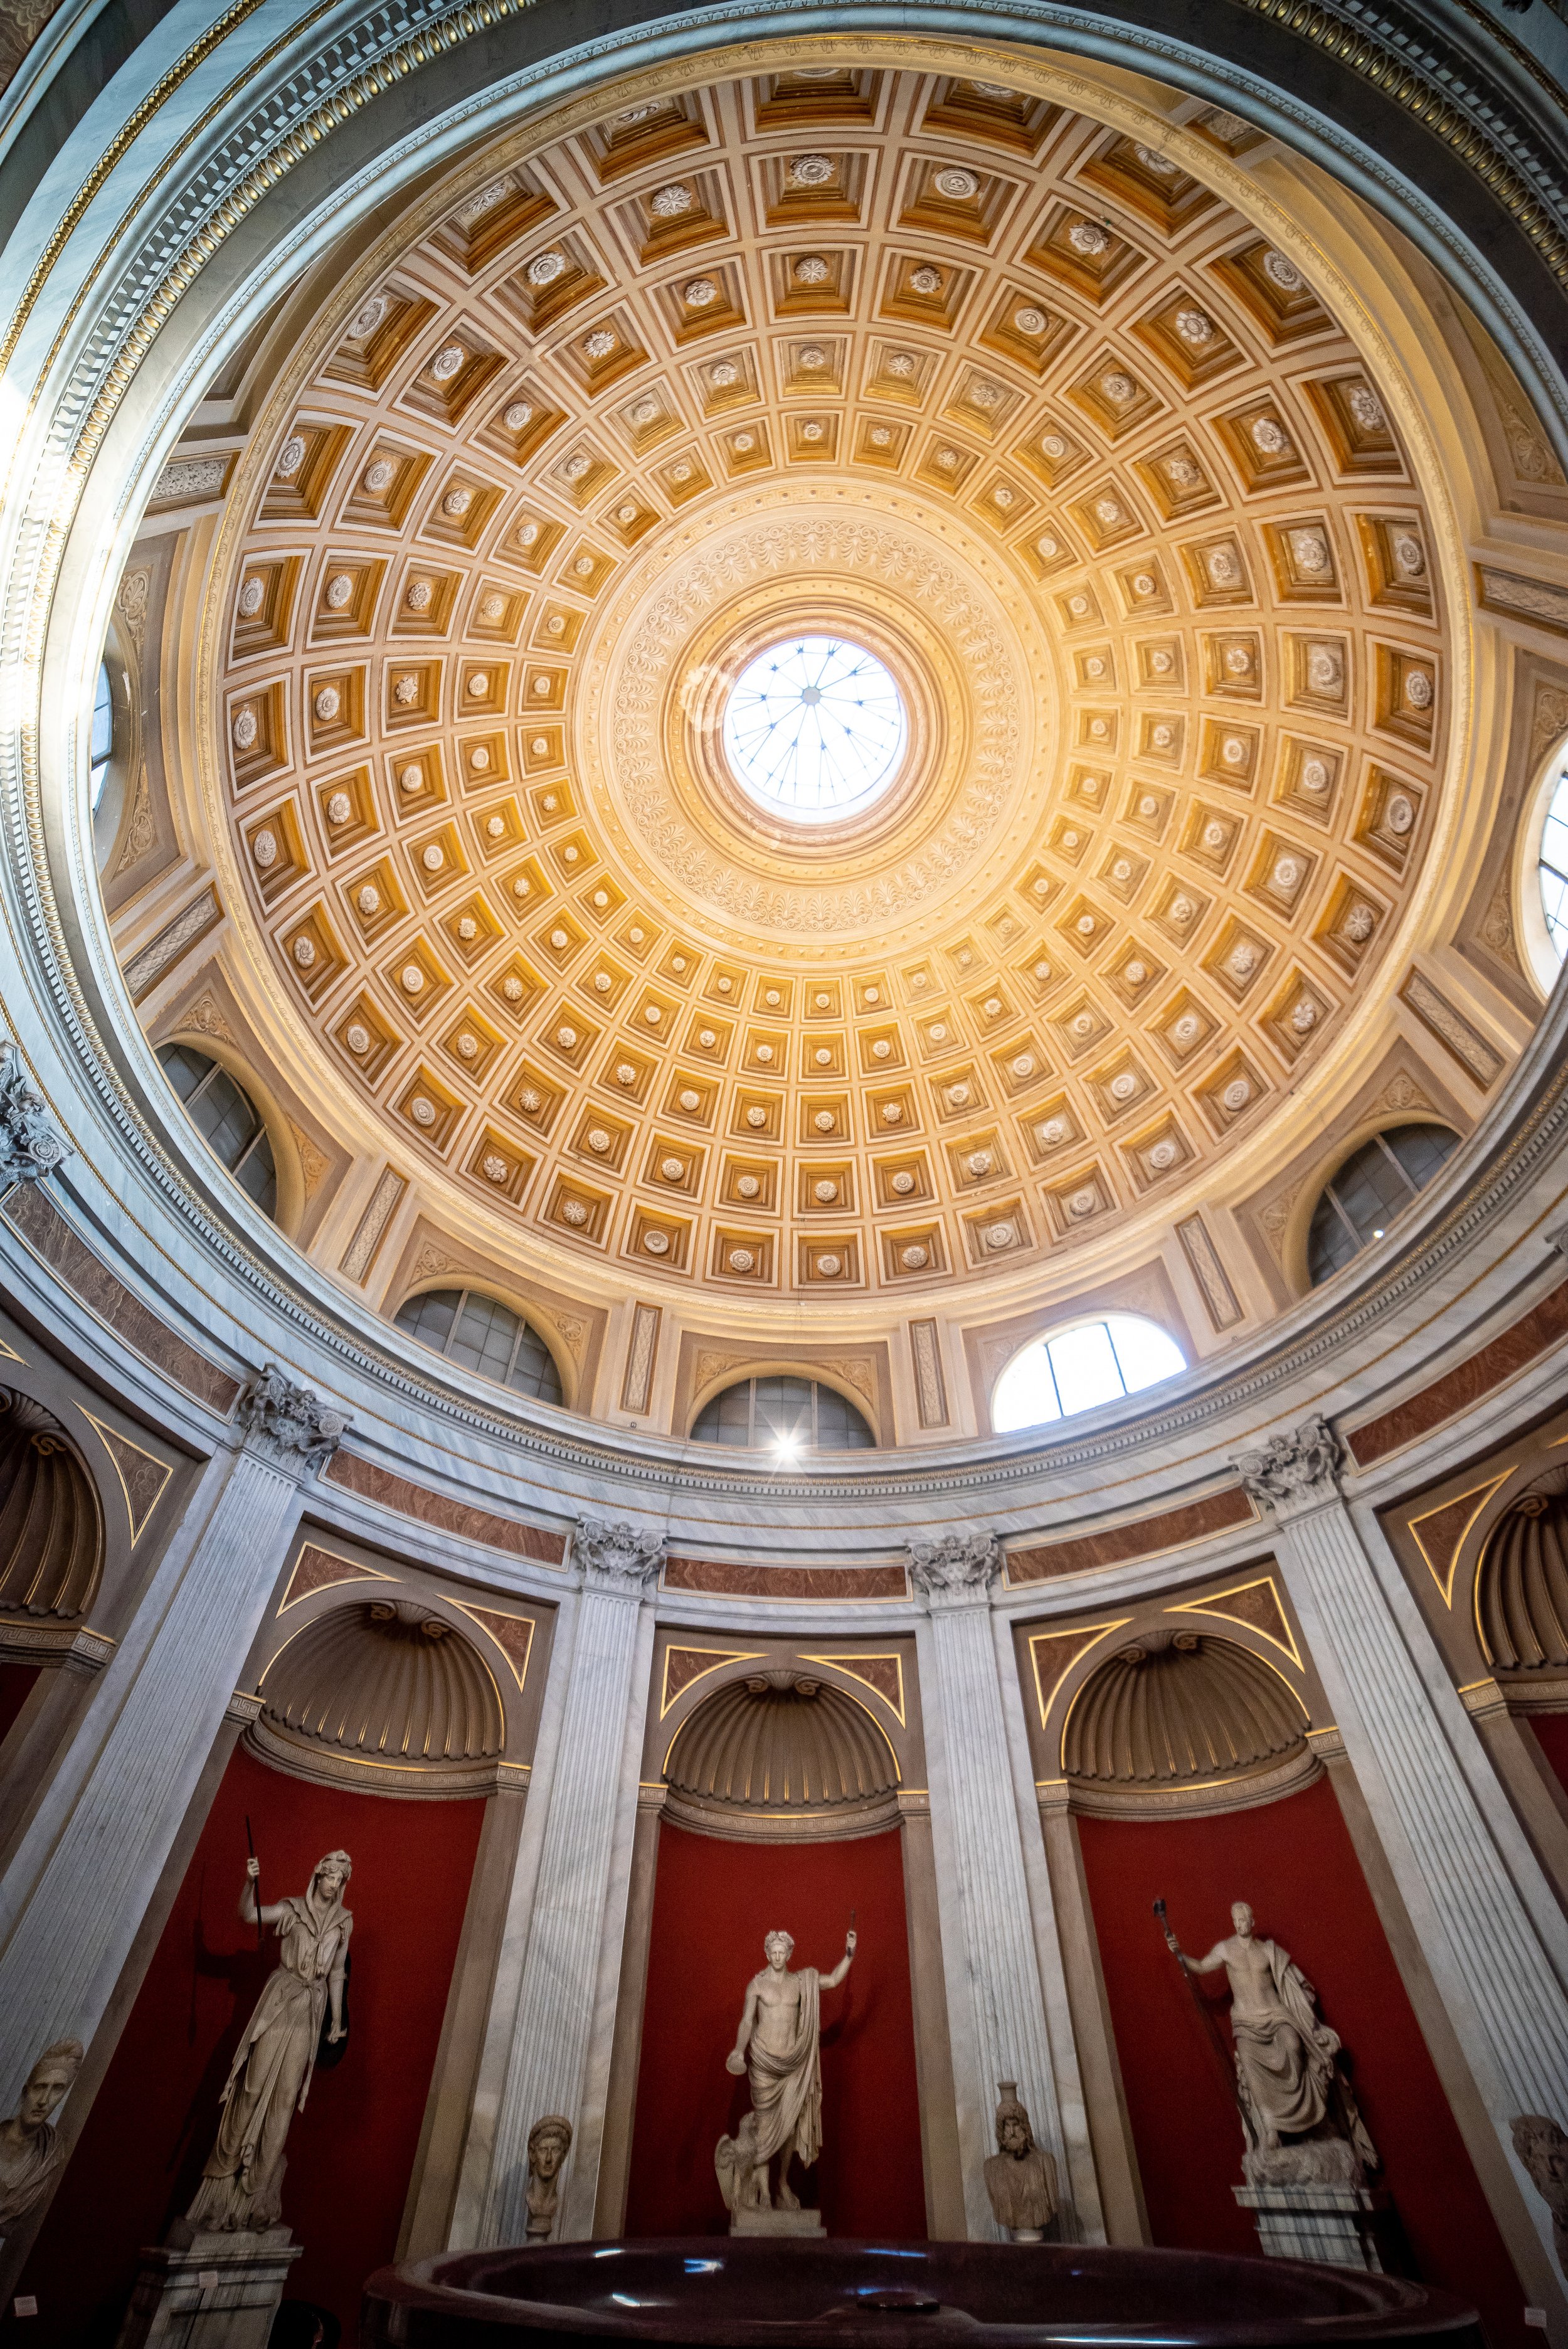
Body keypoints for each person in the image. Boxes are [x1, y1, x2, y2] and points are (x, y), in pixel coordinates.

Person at [186, 1850, 352, 2232]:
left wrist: (337, 2020)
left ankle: (255, 2195)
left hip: (310, 2009)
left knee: (285, 2099)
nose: (334, 1884)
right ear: (318, 1874)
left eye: (340, 1880)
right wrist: (249, 1882)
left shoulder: (345, 1923)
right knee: (253, 2086)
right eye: (330, 1876)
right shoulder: (292, 1909)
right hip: (280, 2002)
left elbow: (338, 1973)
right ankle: (220, 2185)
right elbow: (249, 1916)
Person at [724, 1926, 856, 2209]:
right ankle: (763, 2194)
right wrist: (738, 2049)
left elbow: (831, 1980)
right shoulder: (757, 1985)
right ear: (767, 1953)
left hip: (793, 2063)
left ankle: (782, 2184)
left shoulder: (801, 1982)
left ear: (790, 1954)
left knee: (789, 2127)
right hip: (763, 2064)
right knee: (763, 2127)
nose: (778, 1957)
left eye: (783, 1952)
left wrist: (849, 1954)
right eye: (773, 1952)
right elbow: (747, 2021)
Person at [0, 2039, 82, 2233]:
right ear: (24, 2093)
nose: (44, 2101)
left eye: (57, 2090)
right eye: (40, 2087)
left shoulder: (50, 2157)